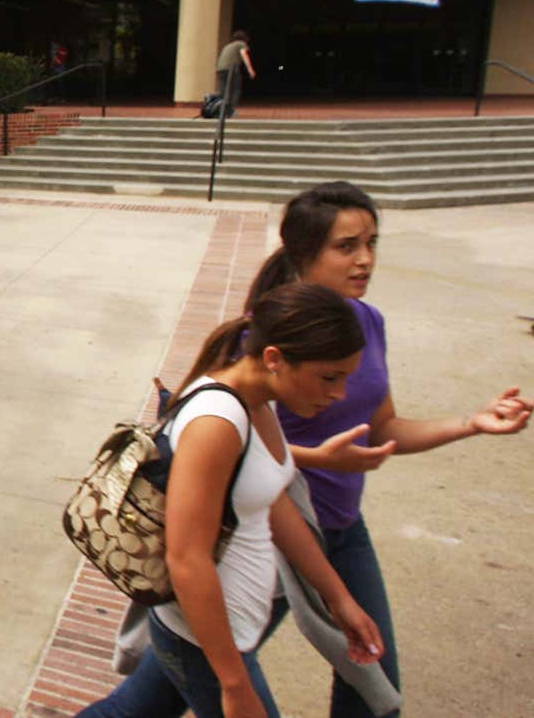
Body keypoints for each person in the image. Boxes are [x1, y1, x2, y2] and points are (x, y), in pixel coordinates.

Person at [97, 181, 532, 718]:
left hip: (326, 533)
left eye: (372, 243)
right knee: (145, 704)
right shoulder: (244, 379)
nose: (365, 260)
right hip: (242, 567)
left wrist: (471, 422)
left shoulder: (359, 328)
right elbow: (198, 539)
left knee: (373, 693)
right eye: (347, 246)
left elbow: (329, 450)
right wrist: (235, 682)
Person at [83, 284, 385, 718]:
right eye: (329, 377)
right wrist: (234, 681)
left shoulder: (260, 399)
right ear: (275, 359)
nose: (338, 394)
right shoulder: (218, 423)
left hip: (220, 633)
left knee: (127, 713)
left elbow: (272, 504)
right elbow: (187, 559)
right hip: (204, 638)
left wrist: (339, 598)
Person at [216, 30, 257, 118]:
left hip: (220, 69)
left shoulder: (228, 45)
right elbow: (244, 55)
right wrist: (250, 69)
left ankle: (223, 110)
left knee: (224, 91)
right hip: (231, 70)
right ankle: (231, 110)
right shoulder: (241, 44)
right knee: (235, 90)